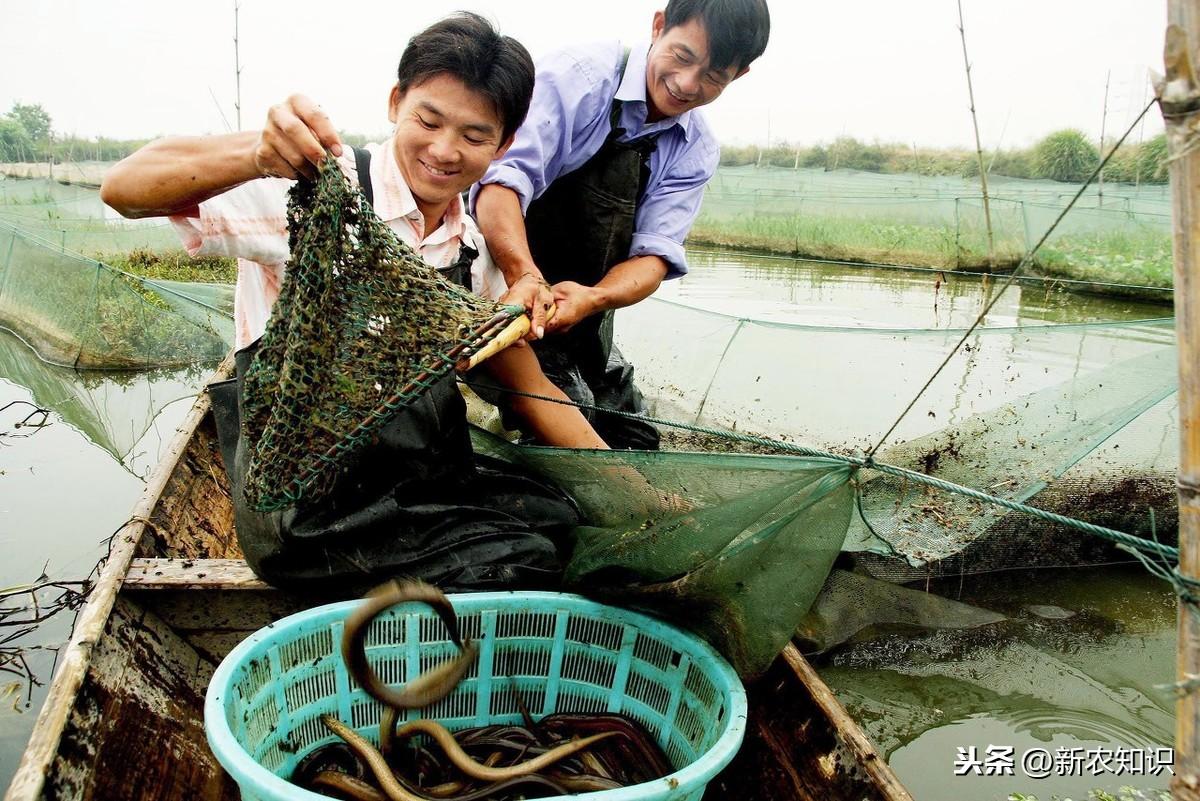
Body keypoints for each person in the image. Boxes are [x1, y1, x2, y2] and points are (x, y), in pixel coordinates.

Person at [101, 13, 602, 593]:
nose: (444, 150)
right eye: (429, 120)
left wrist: (624, 478)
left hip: (420, 481)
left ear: (504, 143)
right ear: (396, 102)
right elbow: (125, 190)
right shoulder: (315, 191)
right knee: (522, 559)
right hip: (310, 507)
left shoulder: (472, 248)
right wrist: (255, 154)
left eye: (473, 135)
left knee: (566, 522)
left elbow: (522, 380)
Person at [472, 0, 770, 450]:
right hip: (499, 284)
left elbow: (653, 258)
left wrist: (594, 298)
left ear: (738, 76)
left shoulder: (696, 148)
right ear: (658, 27)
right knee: (568, 416)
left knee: (635, 439)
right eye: (683, 57)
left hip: (581, 308)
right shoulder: (579, 78)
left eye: (714, 76)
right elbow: (500, 187)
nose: (687, 85)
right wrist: (526, 277)